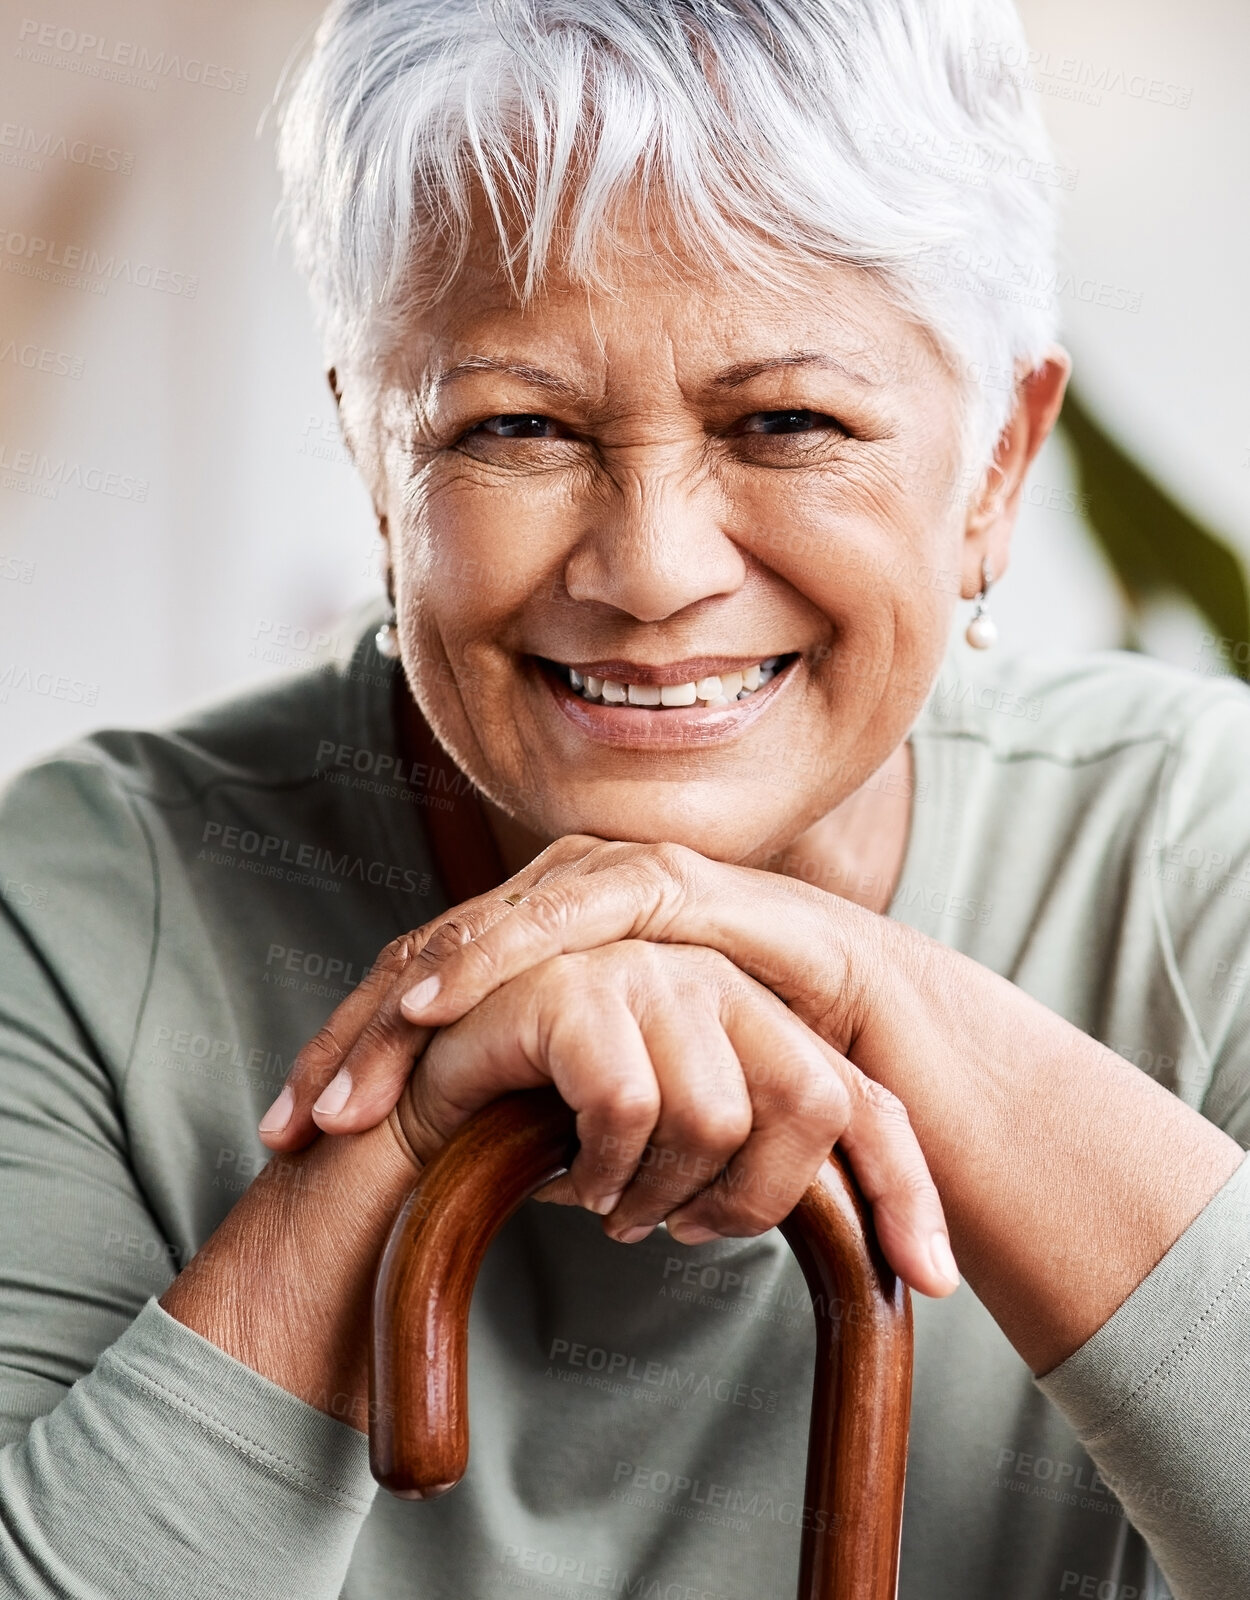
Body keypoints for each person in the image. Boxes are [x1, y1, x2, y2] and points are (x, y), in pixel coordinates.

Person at [0, 1, 1246, 1596]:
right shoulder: (84, 905)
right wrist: (415, 1116)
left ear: (994, 466)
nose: (652, 570)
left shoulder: (1203, 854)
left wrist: (854, 983)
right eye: (515, 426)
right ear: (379, 467)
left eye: (785, 423)